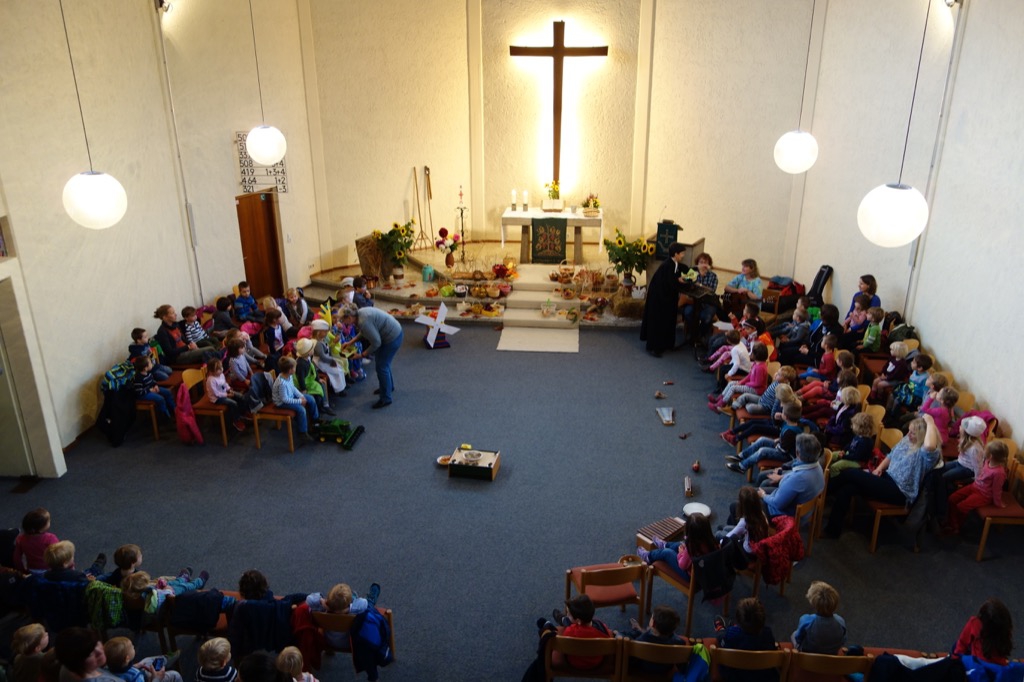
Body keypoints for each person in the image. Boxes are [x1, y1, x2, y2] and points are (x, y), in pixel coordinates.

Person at [824, 414, 941, 538]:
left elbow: (930, 445)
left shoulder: (926, 454)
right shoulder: (907, 440)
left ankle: (822, 493)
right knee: (848, 487)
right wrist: (879, 469)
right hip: (886, 478)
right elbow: (890, 456)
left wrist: (930, 422)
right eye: (909, 431)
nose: (908, 434)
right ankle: (832, 531)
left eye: (913, 433)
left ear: (923, 436)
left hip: (900, 491)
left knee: (850, 473)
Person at [339, 305, 403, 409]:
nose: (343, 322)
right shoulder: (360, 314)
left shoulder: (363, 322)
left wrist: (361, 355)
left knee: (382, 367)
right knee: (382, 364)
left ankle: (386, 398)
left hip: (392, 338)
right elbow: (365, 332)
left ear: (349, 318)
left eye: (343, 320)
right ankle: (387, 387)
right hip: (392, 333)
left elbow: (376, 342)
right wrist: (350, 342)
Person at [944, 440, 1008, 534]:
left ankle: (955, 527)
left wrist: (998, 503)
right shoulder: (987, 461)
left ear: (991, 455)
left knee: (961, 507)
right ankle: (951, 522)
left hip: (983, 495)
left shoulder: (999, 473)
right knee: (952, 499)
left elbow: (996, 490)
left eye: (986, 450)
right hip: (975, 486)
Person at [639, 242, 690, 357]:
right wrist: (681, 282)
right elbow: (671, 283)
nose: (683, 256)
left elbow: (676, 276)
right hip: (659, 299)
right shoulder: (667, 265)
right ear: (676, 254)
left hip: (666, 298)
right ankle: (655, 347)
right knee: (658, 322)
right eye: (682, 254)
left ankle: (666, 344)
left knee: (667, 321)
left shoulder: (673, 264)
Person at [757, 434, 825, 518]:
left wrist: (763, 496)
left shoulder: (797, 479)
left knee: (746, 501)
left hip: (782, 515)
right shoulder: (817, 467)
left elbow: (777, 504)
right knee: (754, 492)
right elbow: (797, 473)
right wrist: (782, 477)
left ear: (797, 453)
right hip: (800, 510)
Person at [537, 595, 612, 670]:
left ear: (578, 621)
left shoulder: (570, 631)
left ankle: (561, 620)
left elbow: (564, 643)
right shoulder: (602, 627)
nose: (567, 615)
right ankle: (562, 619)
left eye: (569, 614)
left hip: (574, 663)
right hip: (597, 662)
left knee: (564, 624)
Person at [636, 512, 717, 581]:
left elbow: (682, 565)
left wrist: (681, 553)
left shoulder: (692, 547)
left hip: (690, 577)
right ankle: (665, 545)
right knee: (680, 545)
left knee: (667, 553)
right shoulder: (712, 541)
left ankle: (648, 556)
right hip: (702, 572)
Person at [714, 598, 778, 682]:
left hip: (735, 677)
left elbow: (723, 642)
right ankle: (732, 626)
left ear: (738, 619)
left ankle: (720, 628)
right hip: (762, 677)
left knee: (721, 635)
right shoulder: (767, 633)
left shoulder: (732, 635)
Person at [622, 605, 686, 675]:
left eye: (651, 618)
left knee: (627, 635)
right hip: (664, 671)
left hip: (643, 670)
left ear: (653, 624)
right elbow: (682, 665)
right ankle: (638, 629)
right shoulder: (679, 643)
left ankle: (634, 630)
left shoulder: (641, 640)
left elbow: (631, 659)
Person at [719, 487, 774, 566]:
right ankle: (724, 529)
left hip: (748, 553)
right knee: (725, 528)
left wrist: (720, 542)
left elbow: (728, 538)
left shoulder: (745, 522)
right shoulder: (761, 513)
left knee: (719, 534)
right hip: (757, 545)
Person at [952, 598, 1014, 666]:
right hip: (986, 667)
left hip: (973, 664)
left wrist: (955, 661)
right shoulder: (1002, 642)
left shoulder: (974, 623)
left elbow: (961, 643)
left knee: (955, 647)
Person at [791, 581, 847, 654]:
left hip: (808, 655)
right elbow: (843, 641)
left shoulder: (806, 620)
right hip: (831, 655)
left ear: (813, 603)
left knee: (793, 634)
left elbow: (798, 639)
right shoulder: (840, 621)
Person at [272, 358, 319, 442]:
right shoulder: (282, 383)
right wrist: (300, 401)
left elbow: (293, 388)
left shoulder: (289, 376)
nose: (295, 368)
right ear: (290, 370)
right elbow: (285, 399)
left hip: (290, 396)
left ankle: (315, 421)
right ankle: (302, 432)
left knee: (310, 398)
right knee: (301, 410)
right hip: (281, 403)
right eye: (294, 367)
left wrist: (301, 396)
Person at [121, 569, 209, 614]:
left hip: (162, 592)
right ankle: (199, 582)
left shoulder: (134, 596)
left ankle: (182, 578)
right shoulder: (149, 596)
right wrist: (165, 588)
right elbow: (164, 595)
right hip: (169, 598)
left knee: (172, 582)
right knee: (184, 587)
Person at [153, 305, 218, 366]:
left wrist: (192, 344)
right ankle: (217, 364)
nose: (175, 314)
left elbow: (184, 339)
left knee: (210, 346)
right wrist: (188, 347)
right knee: (210, 349)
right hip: (178, 357)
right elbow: (170, 352)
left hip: (186, 349)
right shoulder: (162, 331)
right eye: (172, 313)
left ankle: (217, 362)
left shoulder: (175, 325)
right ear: (165, 317)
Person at [103, 636, 182, 682]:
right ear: (127, 658)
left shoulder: (109, 668)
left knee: (147, 660)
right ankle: (166, 660)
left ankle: (166, 659)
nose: (133, 647)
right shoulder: (137, 677)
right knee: (175, 675)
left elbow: (122, 672)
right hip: (145, 678)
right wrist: (156, 679)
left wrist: (134, 667)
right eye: (132, 647)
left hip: (134, 669)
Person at [54, 627, 121, 682]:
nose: (99, 652)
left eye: (96, 644)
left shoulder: (66, 668)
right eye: (90, 654)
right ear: (77, 662)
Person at [681, 252, 719, 347]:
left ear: (709, 265)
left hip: (708, 302)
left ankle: (701, 335)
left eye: (705, 262)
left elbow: (711, 290)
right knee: (688, 313)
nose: (703, 264)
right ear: (697, 263)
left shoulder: (713, 276)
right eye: (700, 262)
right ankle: (692, 334)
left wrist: (698, 283)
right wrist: (696, 278)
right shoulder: (692, 272)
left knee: (706, 317)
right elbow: (685, 284)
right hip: (692, 302)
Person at [828, 412, 875, 478]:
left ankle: (834, 481)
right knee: (832, 455)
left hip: (857, 462)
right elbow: (850, 444)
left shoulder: (865, 442)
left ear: (860, 427)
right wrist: (844, 450)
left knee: (834, 467)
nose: (851, 426)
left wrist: (844, 456)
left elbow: (856, 456)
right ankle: (826, 472)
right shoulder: (858, 436)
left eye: (853, 425)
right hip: (850, 455)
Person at [205, 359, 247, 433]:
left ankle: (242, 414)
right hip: (216, 398)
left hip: (224, 393)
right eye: (218, 369)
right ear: (211, 371)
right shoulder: (211, 380)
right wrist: (227, 395)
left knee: (240, 396)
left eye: (221, 367)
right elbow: (216, 393)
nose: (221, 369)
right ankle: (236, 421)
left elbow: (224, 384)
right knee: (233, 403)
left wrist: (229, 389)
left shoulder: (220, 375)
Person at [293, 339, 333, 417]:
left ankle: (325, 405)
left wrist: (318, 379)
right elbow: (300, 378)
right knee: (317, 397)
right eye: (312, 349)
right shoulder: (301, 364)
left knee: (322, 384)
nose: (313, 350)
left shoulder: (307, 358)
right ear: (308, 352)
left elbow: (313, 369)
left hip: (310, 381)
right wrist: (303, 389)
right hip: (304, 385)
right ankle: (318, 409)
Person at [13, 507, 59, 574]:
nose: (50, 521)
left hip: (32, 569)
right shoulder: (50, 538)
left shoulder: (21, 539)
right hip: (49, 569)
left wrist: (22, 570)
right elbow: (59, 554)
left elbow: (17, 558)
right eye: (48, 521)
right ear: (40, 529)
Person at [309, 319, 347, 395]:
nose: (327, 333)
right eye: (325, 331)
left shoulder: (321, 340)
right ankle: (339, 389)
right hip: (320, 363)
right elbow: (323, 357)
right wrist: (332, 361)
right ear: (318, 332)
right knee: (337, 371)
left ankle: (341, 386)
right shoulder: (318, 344)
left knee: (339, 368)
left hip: (324, 360)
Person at [132, 356, 175, 420]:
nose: (152, 364)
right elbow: (139, 392)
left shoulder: (148, 373)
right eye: (150, 363)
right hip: (144, 394)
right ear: (145, 368)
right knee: (160, 399)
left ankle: (174, 409)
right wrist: (150, 390)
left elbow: (153, 381)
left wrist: (155, 386)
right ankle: (165, 416)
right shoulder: (138, 378)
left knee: (167, 392)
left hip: (152, 389)